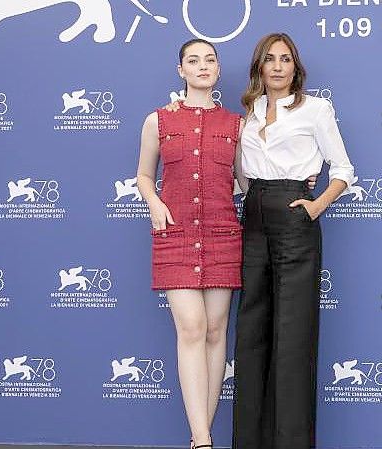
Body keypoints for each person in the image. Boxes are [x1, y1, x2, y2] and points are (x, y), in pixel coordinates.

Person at [232, 33, 354, 449]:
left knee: (293, 330)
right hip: (254, 214)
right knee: (251, 330)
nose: (279, 66)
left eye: (286, 59)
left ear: (295, 67)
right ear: (259, 67)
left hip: (294, 213)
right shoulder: (248, 112)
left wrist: (316, 205)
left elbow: (342, 168)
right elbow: (241, 173)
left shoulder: (316, 109)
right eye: (270, 59)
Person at [135, 39, 241, 449]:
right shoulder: (157, 121)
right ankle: (202, 439)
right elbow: (144, 175)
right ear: (180, 70)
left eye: (209, 60)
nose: (202, 66)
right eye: (193, 61)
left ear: (217, 69)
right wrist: (154, 203)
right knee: (192, 327)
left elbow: (247, 179)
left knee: (216, 331)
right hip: (176, 234)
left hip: (222, 234)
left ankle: (202, 434)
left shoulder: (236, 125)